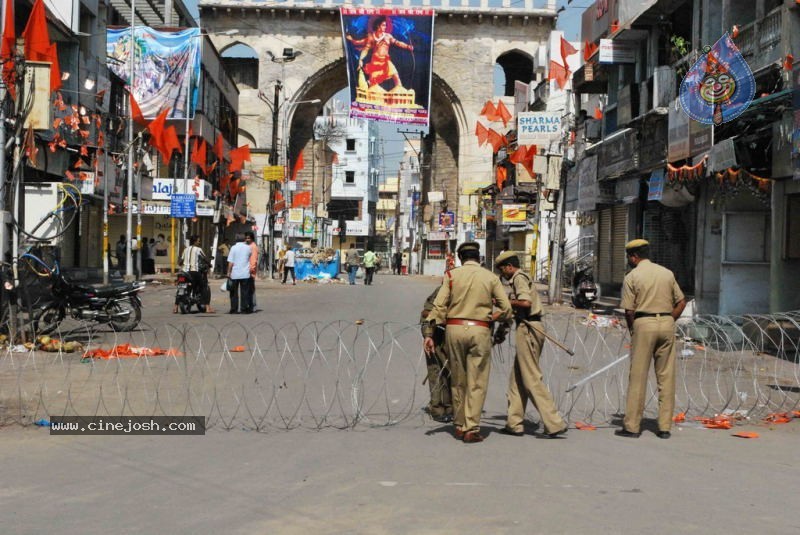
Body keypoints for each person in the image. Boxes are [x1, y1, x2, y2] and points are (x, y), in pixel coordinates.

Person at [424, 242, 512, 443]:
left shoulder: (451, 276)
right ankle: (471, 427)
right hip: (480, 329)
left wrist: (429, 334)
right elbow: (506, 308)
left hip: (454, 329)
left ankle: (458, 423)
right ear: (479, 257)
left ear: (460, 258)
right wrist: (492, 317)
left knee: (458, 378)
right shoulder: (490, 277)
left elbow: (439, 306)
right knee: (477, 380)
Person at [616, 239, 686, 439]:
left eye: (629, 256)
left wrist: (633, 330)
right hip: (666, 322)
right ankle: (664, 427)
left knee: (638, 376)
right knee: (666, 376)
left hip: (643, 323)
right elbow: (681, 302)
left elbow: (629, 310)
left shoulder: (633, 276)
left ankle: (632, 426)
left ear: (634, 256)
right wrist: (669, 319)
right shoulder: (666, 273)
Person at [494, 251, 567, 439]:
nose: (502, 275)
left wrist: (504, 301)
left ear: (509, 266)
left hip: (528, 329)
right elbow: (514, 312)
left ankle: (554, 422)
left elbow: (524, 303)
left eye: (503, 270)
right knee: (517, 379)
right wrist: (502, 330)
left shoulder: (518, 278)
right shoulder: (519, 279)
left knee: (531, 377)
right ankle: (514, 423)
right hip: (525, 326)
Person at [346, 15, 414, 91]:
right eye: (383, 25)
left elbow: (397, 43)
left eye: (385, 25)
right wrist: (360, 60)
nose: (385, 27)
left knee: (396, 77)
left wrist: (408, 46)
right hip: (375, 62)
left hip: (386, 61)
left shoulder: (388, 36)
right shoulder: (371, 37)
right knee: (373, 84)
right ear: (378, 26)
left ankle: (400, 94)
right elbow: (366, 49)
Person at [420, 288, 453, 423]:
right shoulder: (442, 290)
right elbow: (426, 313)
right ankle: (437, 408)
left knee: (452, 373)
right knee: (436, 371)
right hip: (438, 333)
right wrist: (428, 335)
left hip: (458, 337)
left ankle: (451, 407)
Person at [175, 234, 214, 314]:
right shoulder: (198, 249)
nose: (199, 242)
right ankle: (207, 308)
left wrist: (182, 264)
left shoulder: (185, 250)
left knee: (180, 287)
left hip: (184, 272)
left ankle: (175, 308)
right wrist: (209, 264)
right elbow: (205, 258)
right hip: (194, 272)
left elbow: (180, 262)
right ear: (195, 241)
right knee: (204, 287)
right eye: (199, 241)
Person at [226, 234, 253, 314]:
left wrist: (228, 272)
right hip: (245, 273)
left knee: (233, 292)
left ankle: (234, 309)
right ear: (244, 239)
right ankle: (243, 309)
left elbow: (231, 262)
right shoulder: (248, 248)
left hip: (235, 273)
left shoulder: (233, 248)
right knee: (244, 292)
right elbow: (249, 257)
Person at [245, 232, 259, 309]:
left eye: (248, 238)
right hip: (247, 270)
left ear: (252, 239)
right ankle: (250, 304)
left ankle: (251, 305)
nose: (247, 239)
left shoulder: (253, 247)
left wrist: (251, 269)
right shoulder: (248, 246)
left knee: (250, 289)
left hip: (250, 271)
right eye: (246, 238)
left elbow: (254, 260)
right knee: (249, 289)